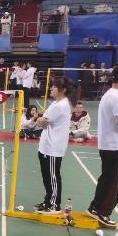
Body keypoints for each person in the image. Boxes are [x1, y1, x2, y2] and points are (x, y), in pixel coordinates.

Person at [87, 65, 118, 227]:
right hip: (116, 146)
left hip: (110, 145)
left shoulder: (111, 95)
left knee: (107, 179)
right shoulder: (117, 98)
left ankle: (95, 208)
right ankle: (102, 212)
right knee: (114, 183)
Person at [34, 78, 76, 213]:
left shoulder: (61, 106)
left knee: (52, 177)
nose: (51, 88)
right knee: (47, 176)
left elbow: (43, 123)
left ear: (63, 90)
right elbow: (44, 121)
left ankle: (54, 205)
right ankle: (48, 201)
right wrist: (41, 119)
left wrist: (38, 118)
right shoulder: (56, 103)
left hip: (53, 147)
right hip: (46, 146)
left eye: (54, 86)